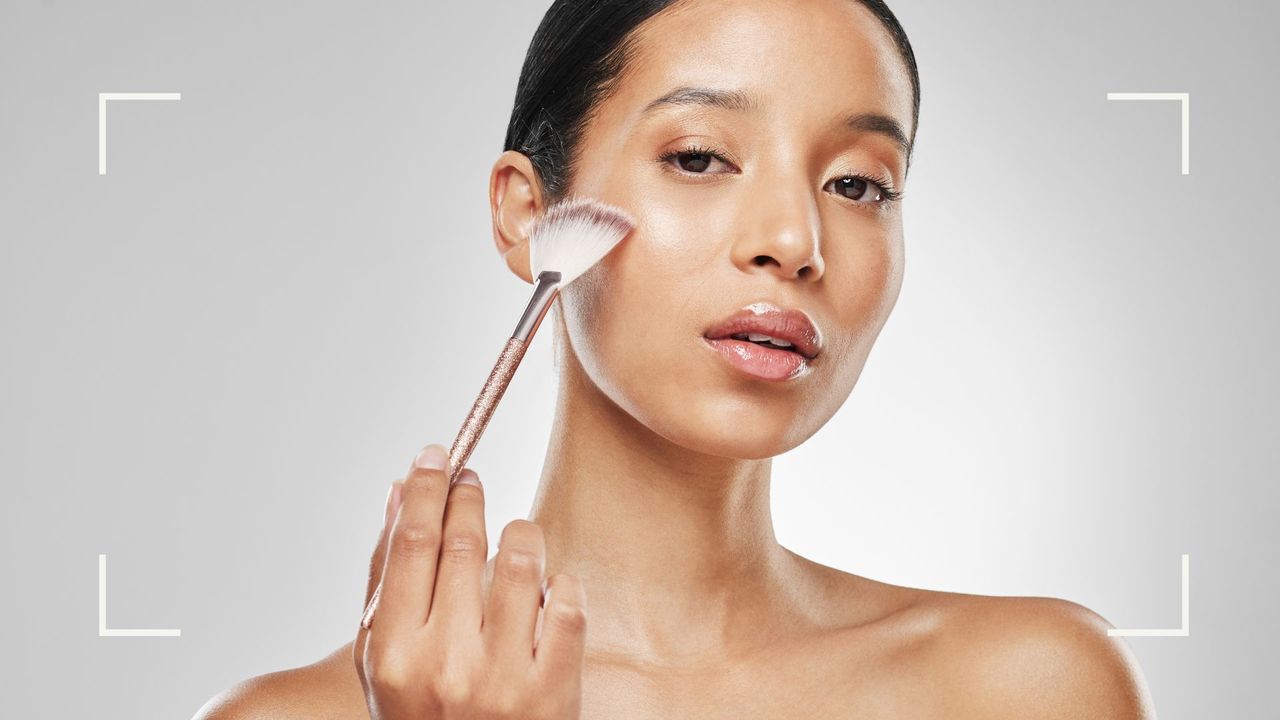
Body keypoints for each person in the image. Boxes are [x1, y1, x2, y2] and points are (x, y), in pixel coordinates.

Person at [193, 0, 1157, 717]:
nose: (793, 239)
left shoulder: (1028, 689)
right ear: (531, 214)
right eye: (699, 158)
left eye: (859, 183)